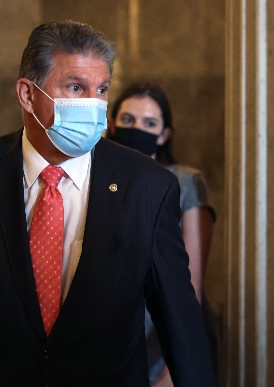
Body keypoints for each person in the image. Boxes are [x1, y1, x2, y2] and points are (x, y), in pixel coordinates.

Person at [0, 20, 217, 387]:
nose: (93, 105)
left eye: (101, 90)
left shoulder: (147, 185)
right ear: (27, 94)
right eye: (75, 87)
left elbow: (180, 321)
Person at [107, 83, 218, 385]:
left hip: (162, 339)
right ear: (113, 123)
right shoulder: (99, 178)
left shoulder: (185, 182)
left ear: (165, 134)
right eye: (128, 120)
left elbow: (189, 288)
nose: (137, 129)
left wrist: (171, 374)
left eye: (149, 123)